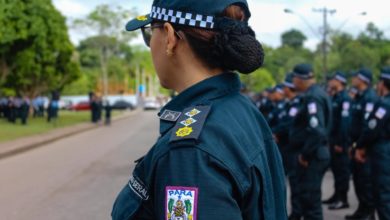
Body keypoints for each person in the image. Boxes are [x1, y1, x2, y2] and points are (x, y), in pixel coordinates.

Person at [111, 0, 287, 219]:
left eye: (149, 34)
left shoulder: (189, 152)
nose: (150, 44)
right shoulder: (240, 108)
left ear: (170, 36)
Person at [289, 63, 332, 220]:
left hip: (313, 156)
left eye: (294, 77)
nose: (292, 81)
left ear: (300, 79)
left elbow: (317, 130)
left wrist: (305, 154)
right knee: (307, 199)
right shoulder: (315, 93)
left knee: (311, 202)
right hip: (315, 153)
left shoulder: (313, 97)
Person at [355, 67, 390, 220]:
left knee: (382, 196)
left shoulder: (385, 104)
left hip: (382, 152)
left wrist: (360, 146)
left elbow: (372, 127)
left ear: (383, 83)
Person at [346, 68, 378, 220]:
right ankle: (361, 210)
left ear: (364, 80)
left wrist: (361, 146)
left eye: (356, 77)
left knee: (366, 183)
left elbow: (368, 125)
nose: (353, 79)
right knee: (358, 182)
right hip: (356, 145)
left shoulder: (370, 97)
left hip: (363, 147)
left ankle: (368, 213)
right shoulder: (359, 96)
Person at [273, 73, 302, 219]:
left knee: (295, 183)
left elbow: (288, 123)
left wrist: (276, 132)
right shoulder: (288, 103)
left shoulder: (296, 103)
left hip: (292, 148)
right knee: (285, 180)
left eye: (284, 86)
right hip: (284, 147)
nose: (282, 89)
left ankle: (296, 213)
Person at [323, 72, 352, 210]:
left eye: (332, 79)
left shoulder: (345, 98)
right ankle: (336, 195)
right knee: (336, 170)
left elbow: (344, 124)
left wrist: (341, 143)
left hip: (340, 142)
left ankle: (343, 199)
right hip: (333, 140)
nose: (330, 81)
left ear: (339, 81)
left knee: (342, 171)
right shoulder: (335, 97)